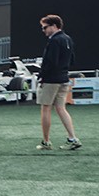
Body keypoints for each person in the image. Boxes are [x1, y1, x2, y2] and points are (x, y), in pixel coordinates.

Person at [35, 14, 81, 151]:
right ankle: (72, 138)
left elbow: (50, 62)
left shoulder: (54, 41)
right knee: (61, 108)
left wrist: (42, 75)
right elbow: (72, 60)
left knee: (45, 108)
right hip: (64, 78)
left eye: (45, 27)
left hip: (51, 79)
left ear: (54, 26)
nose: (43, 30)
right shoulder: (68, 39)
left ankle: (46, 141)